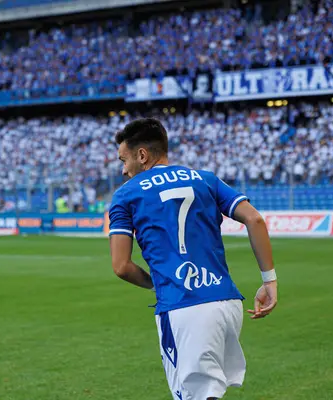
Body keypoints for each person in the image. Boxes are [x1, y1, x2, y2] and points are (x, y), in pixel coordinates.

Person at [108, 118, 278, 400]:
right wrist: (269, 282)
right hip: (227, 303)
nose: (124, 170)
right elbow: (255, 219)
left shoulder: (126, 195)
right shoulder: (206, 179)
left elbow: (121, 266)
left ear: (142, 155)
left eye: (123, 160)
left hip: (183, 305)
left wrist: (158, 284)